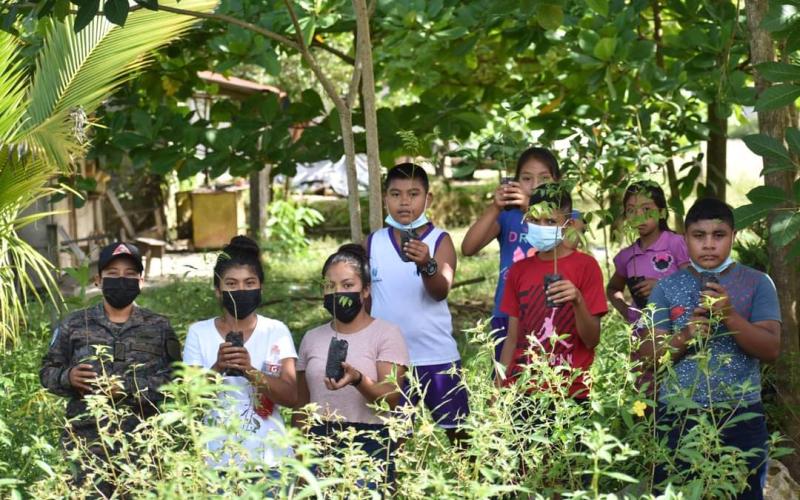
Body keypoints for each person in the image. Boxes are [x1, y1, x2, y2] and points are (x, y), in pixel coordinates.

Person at [642, 198, 780, 499]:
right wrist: (686, 336)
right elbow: (649, 358)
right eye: (698, 235)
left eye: (718, 235)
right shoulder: (665, 288)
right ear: (685, 238)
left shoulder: (758, 283)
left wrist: (730, 315)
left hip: (740, 416)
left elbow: (771, 349)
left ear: (733, 236)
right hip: (679, 417)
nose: (708, 244)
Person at [40, 241, 182, 495]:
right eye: (113, 274)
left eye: (130, 275)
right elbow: (47, 372)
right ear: (98, 280)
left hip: (143, 446)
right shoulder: (74, 324)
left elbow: (175, 381)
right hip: (86, 446)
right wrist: (68, 377)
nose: (122, 280)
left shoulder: (159, 326)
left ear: (140, 281)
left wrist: (128, 388)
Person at [367, 162, 468, 440]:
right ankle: (397, 484)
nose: (404, 202)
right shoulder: (373, 243)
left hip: (436, 355)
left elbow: (440, 290)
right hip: (389, 361)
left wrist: (427, 263)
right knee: (394, 439)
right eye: (395, 194)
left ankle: (465, 482)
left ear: (428, 198)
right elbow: (366, 299)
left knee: (459, 435)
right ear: (385, 197)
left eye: (413, 194)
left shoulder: (439, 241)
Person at [294, 244, 408, 488]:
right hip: (318, 440)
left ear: (365, 290)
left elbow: (391, 398)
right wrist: (300, 457)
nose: (338, 293)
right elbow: (301, 406)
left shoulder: (387, 334)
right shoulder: (311, 338)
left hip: (369, 441)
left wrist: (358, 379)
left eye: (347, 286)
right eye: (330, 286)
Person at [183, 236, 297, 469]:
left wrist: (251, 371)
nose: (241, 290)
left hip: (270, 461)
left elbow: (291, 396)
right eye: (231, 284)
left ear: (261, 287)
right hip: (216, 462)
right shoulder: (199, 332)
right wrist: (217, 368)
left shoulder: (276, 331)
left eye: (249, 283)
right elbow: (190, 400)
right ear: (218, 290)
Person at [496, 184, 607, 403]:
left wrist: (577, 300)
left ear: (567, 225)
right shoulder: (519, 270)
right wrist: (499, 387)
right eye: (535, 220)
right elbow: (512, 338)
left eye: (550, 221)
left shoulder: (586, 266)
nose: (541, 227)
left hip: (572, 391)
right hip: (524, 389)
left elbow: (592, 339)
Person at [462, 147, 561, 361]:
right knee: (505, 381)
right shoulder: (508, 216)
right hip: (506, 313)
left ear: (557, 182)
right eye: (526, 178)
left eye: (544, 178)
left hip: (551, 314)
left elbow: (571, 241)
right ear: (515, 182)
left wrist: (531, 208)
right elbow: (468, 248)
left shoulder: (565, 215)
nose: (535, 186)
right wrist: (495, 207)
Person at [607, 181, 689, 325]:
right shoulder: (626, 256)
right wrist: (627, 312)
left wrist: (662, 287)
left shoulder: (676, 243)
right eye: (631, 210)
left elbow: (692, 283)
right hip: (642, 336)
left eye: (646, 209)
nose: (639, 216)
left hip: (676, 333)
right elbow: (613, 288)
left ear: (662, 211)